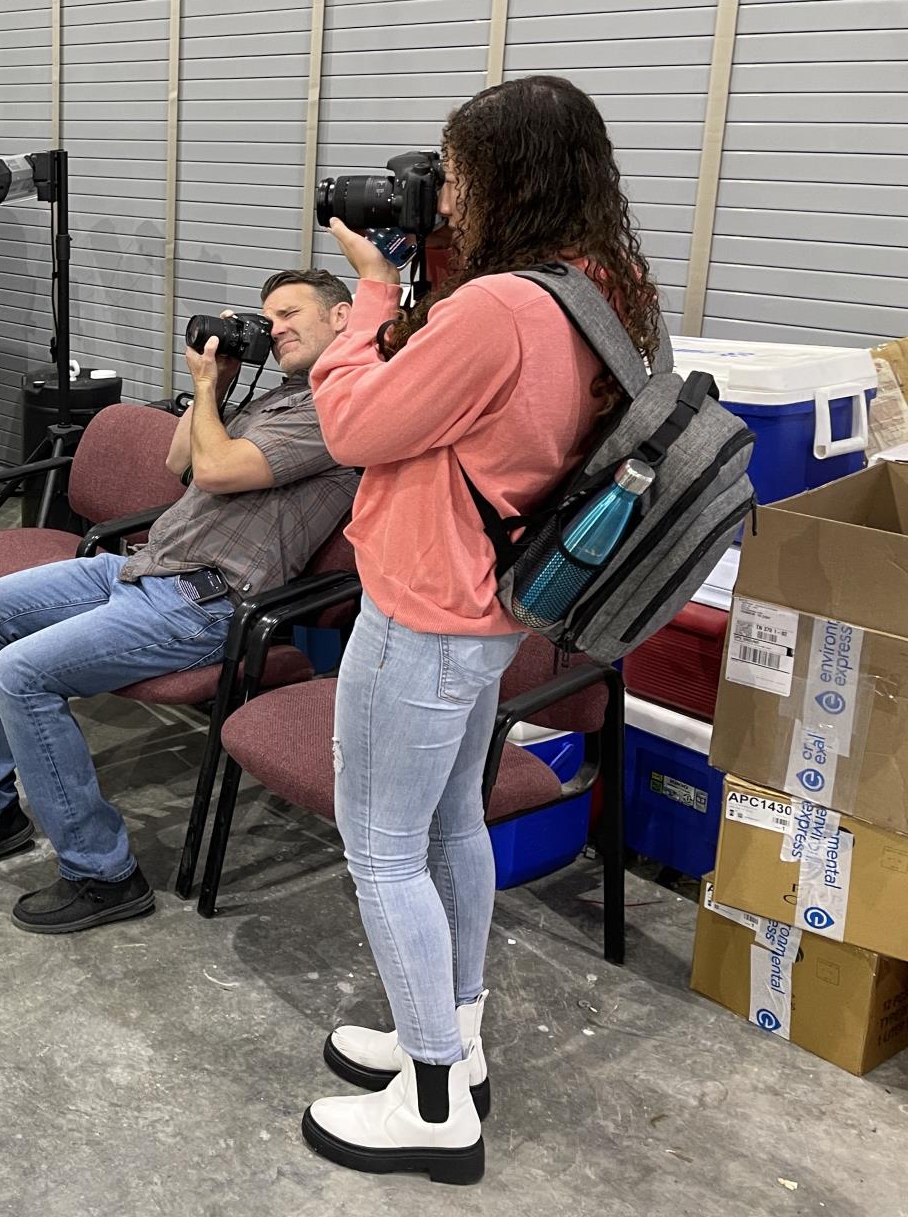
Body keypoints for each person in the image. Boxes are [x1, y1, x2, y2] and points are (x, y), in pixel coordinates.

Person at [302, 75, 663, 1183]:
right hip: (494, 606)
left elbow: (354, 422)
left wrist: (369, 292)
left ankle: (430, 1104)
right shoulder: (598, 288)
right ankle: (453, 1041)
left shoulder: (500, 309)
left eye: (458, 174)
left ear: (507, 177)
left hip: (425, 609)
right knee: (452, 819)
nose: (445, 196)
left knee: (379, 845)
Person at [0, 271, 360, 934]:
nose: (275, 328)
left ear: (343, 318)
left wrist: (212, 388)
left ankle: (104, 874)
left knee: (22, 674)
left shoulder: (341, 410)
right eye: (268, 318)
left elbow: (213, 471)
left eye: (291, 313)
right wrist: (220, 381)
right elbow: (182, 458)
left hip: (204, 602)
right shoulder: (279, 397)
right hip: (142, 566)